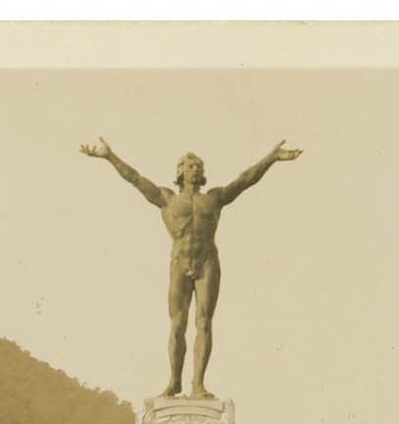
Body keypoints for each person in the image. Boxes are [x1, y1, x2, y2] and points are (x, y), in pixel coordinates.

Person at [79, 138, 303, 399]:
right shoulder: (166, 198)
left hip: (207, 260)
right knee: (177, 325)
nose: (195, 169)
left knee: (204, 323)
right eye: (190, 165)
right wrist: (110, 156)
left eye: (198, 165)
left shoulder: (215, 198)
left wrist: (271, 158)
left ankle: (198, 384)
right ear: (180, 171)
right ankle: (174, 382)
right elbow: (135, 179)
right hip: (179, 261)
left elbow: (245, 180)